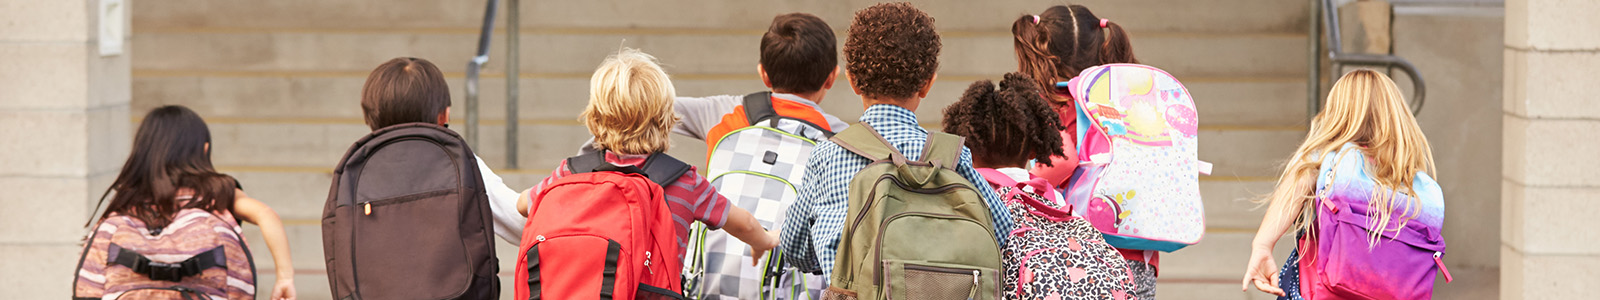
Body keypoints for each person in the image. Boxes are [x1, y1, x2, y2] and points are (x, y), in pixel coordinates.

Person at [779, 2, 1014, 282]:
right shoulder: (952, 156)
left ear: (852, 81)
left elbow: (794, 248)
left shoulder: (828, 155)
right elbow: (1000, 231)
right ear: (927, 84)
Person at [516, 48, 780, 263]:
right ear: (667, 119)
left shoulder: (570, 173)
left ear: (595, 117)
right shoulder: (685, 182)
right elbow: (743, 224)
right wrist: (764, 241)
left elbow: (523, 205)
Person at [1241, 70, 1444, 298]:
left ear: (1338, 112)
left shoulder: (1332, 160)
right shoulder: (1415, 184)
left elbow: (1295, 187)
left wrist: (1262, 245)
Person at [1011, 5, 1156, 297]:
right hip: (1140, 254)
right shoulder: (1125, 97)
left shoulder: (1057, 100)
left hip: (1082, 254)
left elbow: (1062, 159)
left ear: (1044, 52)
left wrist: (1020, 190)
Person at [88, 105, 297, 300]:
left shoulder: (130, 197)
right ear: (204, 150)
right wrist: (284, 277)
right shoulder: (215, 191)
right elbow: (266, 214)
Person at [357, 57, 526, 245]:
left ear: (369, 117)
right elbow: (521, 226)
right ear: (443, 115)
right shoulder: (461, 165)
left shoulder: (357, 172)